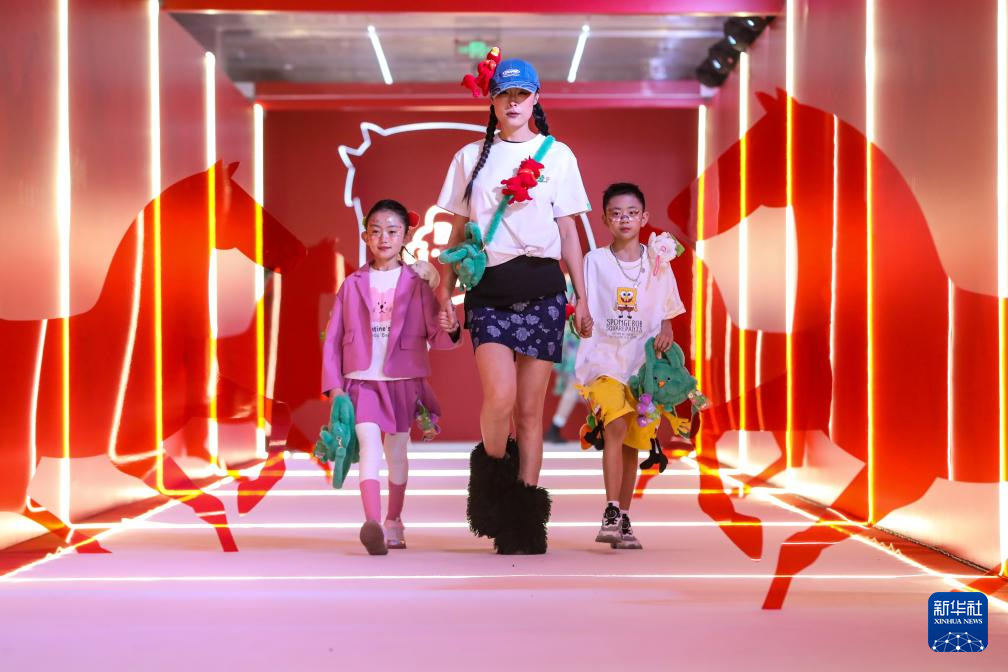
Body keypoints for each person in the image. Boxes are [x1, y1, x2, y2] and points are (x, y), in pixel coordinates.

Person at [437, 57, 593, 554]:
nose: (513, 102)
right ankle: (491, 491)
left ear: (536, 99)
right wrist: (444, 293)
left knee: (529, 412)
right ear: (491, 100)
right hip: (490, 291)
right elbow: (456, 233)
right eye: (504, 94)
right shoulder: (470, 156)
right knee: (500, 398)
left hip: (545, 289)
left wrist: (581, 297)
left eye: (522, 94)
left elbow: (569, 232)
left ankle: (524, 522)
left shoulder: (559, 156)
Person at [322, 199, 460, 555]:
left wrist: (451, 325)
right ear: (366, 236)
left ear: (405, 236)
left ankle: (393, 519)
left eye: (392, 231)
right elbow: (333, 339)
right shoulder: (352, 284)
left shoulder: (417, 283)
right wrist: (335, 386)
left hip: (403, 382)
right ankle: (372, 523)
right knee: (369, 446)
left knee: (396, 452)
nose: (384, 238)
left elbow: (436, 334)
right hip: (361, 380)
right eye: (376, 231)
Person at [574, 183, 686, 550]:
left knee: (632, 442)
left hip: (642, 366)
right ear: (605, 219)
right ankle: (610, 510)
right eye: (616, 213)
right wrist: (580, 321)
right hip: (602, 359)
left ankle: (623, 516)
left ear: (644, 218)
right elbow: (582, 305)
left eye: (632, 213)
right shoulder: (594, 261)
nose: (624, 219)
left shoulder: (658, 262)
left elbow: (668, 309)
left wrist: (667, 329)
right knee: (616, 425)